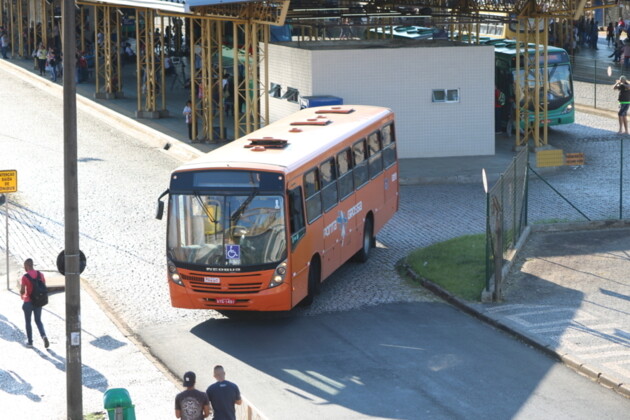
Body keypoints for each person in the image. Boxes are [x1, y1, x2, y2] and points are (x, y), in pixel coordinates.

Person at [20, 258, 49, 348]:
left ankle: (30, 342)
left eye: (25, 266)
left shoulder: (25, 277)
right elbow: (43, 286)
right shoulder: (40, 274)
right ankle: (44, 336)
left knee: (28, 322)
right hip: (38, 302)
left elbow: (22, 290)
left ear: (27, 266)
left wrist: (22, 294)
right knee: (38, 320)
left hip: (28, 302)